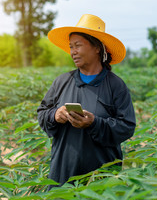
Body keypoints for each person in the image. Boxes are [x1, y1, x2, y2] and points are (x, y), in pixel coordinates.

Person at [37, 14, 136, 188]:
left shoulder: (116, 86)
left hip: (101, 179)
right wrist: (55, 115)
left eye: (78, 46)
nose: (73, 52)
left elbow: (126, 126)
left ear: (97, 48)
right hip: (63, 175)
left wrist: (94, 123)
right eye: (70, 47)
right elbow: (42, 112)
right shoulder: (62, 81)